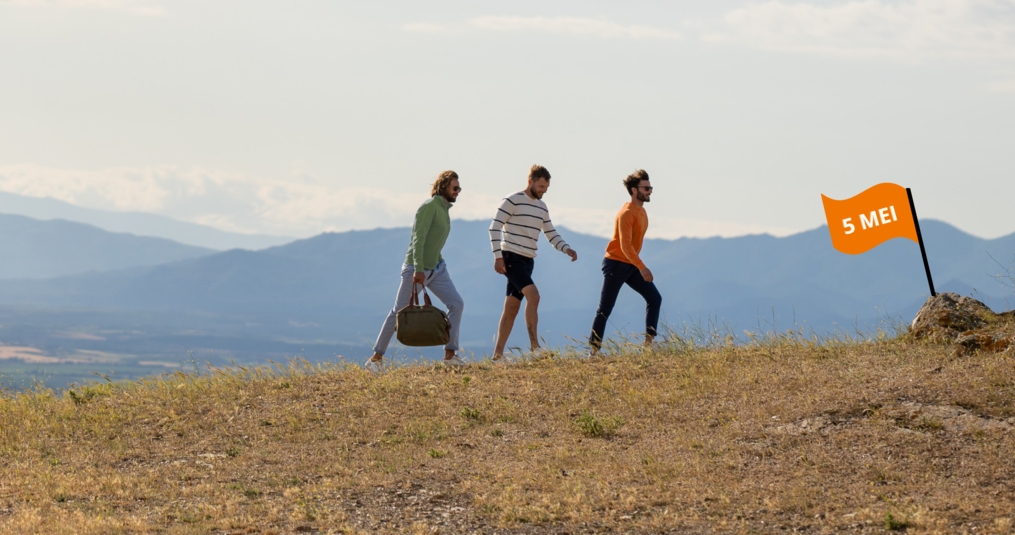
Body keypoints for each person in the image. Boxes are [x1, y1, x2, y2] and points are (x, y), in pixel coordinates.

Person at [365, 171, 466, 373]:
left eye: (459, 189)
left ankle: (450, 355)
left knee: (456, 304)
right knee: (398, 313)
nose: (458, 192)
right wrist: (418, 269)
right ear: (443, 186)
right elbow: (418, 240)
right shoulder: (429, 207)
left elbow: (433, 243)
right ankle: (375, 360)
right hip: (416, 268)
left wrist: (439, 262)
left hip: (437, 269)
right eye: (455, 188)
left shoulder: (444, 210)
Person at [489, 164, 578, 361]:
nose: (543, 191)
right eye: (540, 187)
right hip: (511, 257)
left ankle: (497, 356)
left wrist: (566, 248)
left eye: (546, 188)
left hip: (528, 261)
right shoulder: (512, 200)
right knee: (534, 296)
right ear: (530, 182)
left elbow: (550, 233)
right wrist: (498, 257)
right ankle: (535, 349)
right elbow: (494, 228)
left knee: (511, 308)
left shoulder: (541, 207)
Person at [588, 169, 662, 356]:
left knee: (655, 298)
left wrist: (637, 265)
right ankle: (593, 353)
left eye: (650, 187)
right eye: (646, 188)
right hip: (615, 264)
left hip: (630, 265)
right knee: (605, 309)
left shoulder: (642, 212)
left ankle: (649, 344)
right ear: (633, 190)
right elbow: (625, 245)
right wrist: (642, 267)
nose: (650, 191)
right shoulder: (627, 213)